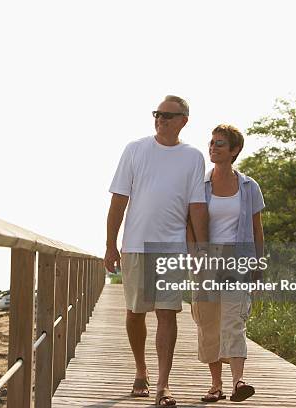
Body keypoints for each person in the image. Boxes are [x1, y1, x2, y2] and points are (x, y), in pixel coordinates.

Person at [105, 95, 208, 407]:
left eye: (167, 115)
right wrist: (110, 244)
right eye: (157, 114)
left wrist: (202, 250)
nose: (160, 120)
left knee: (167, 313)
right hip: (136, 244)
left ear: (183, 121)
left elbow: (197, 206)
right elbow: (118, 200)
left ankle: (163, 385)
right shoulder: (135, 149)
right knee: (136, 313)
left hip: (172, 247)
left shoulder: (193, 157)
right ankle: (141, 370)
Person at [187, 124, 265, 403]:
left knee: (234, 320)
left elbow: (257, 229)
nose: (213, 147)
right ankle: (216, 384)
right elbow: (189, 224)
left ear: (234, 151)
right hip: (206, 261)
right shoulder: (200, 185)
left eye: (220, 144)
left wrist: (259, 265)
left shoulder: (249, 186)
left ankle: (238, 382)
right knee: (208, 321)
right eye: (211, 142)